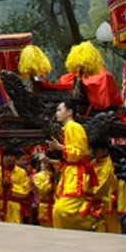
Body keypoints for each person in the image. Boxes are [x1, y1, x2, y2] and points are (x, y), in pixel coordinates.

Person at [48, 99, 96, 231]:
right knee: (58, 211)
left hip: (76, 174)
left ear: (69, 112)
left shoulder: (75, 127)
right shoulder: (66, 128)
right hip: (68, 173)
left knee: (61, 210)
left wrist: (60, 147)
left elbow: (80, 153)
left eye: (59, 110)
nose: (56, 113)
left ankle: (89, 224)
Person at [85, 139, 119, 233]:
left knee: (110, 232)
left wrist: (83, 190)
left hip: (105, 203)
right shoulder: (95, 162)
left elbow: (98, 190)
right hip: (95, 202)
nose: (94, 152)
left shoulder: (108, 167)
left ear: (105, 150)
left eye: (96, 150)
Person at [0, 146, 31, 224]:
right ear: (2, 157)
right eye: (6, 156)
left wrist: (11, 186)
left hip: (15, 207)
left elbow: (25, 191)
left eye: (12, 156)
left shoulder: (22, 172)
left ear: (15, 158)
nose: (9, 158)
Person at [33, 155, 57, 227]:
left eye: (47, 163)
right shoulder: (38, 176)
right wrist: (50, 181)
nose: (46, 165)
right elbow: (42, 190)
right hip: (45, 207)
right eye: (44, 163)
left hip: (57, 206)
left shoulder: (59, 174)